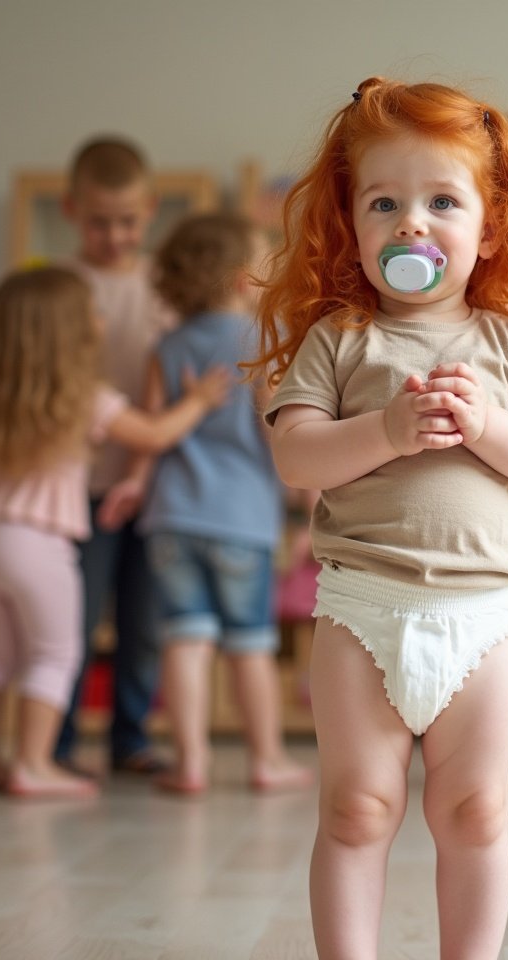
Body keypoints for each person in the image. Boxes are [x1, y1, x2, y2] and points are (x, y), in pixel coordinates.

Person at [252, 77, 508, 960]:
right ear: (349, 225)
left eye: (442, 200)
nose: (412, 223)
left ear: (490, 225)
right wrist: (387, 430)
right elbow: (295, 455)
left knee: (476, 810)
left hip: (480, 618)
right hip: (363, 607)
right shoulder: (341, 339)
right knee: (357, 808)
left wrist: (489, 425)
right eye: (384, 203)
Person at [0, 266, 229, 799]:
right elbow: (152, 433)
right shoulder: (87, 396)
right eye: (92, 314)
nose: (101, 320)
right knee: (55, 654)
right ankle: (32, 765)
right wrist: (196, 402)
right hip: (35, 541)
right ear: (72, 333)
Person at [130, 212, 312, 795]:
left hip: (172, 515)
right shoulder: (262, 338)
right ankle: (266, 760)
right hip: (241, 520)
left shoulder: (168, 344)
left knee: (185, 640)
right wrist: (309, 502)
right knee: (250, 645)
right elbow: (277, 427)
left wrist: (133, 488)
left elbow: (155, 428)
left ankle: (190, 764)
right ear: (241, 280)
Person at [56, 135, 174, 776]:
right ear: (72, 210)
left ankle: (131, 736)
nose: (114, 235)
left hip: (151, 480)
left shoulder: (162, 284)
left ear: (150, 210)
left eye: (128, 221)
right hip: (77, 483)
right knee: (71, 618)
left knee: (144, 618)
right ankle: (61, 740)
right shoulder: (60, 285)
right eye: (99, 221)